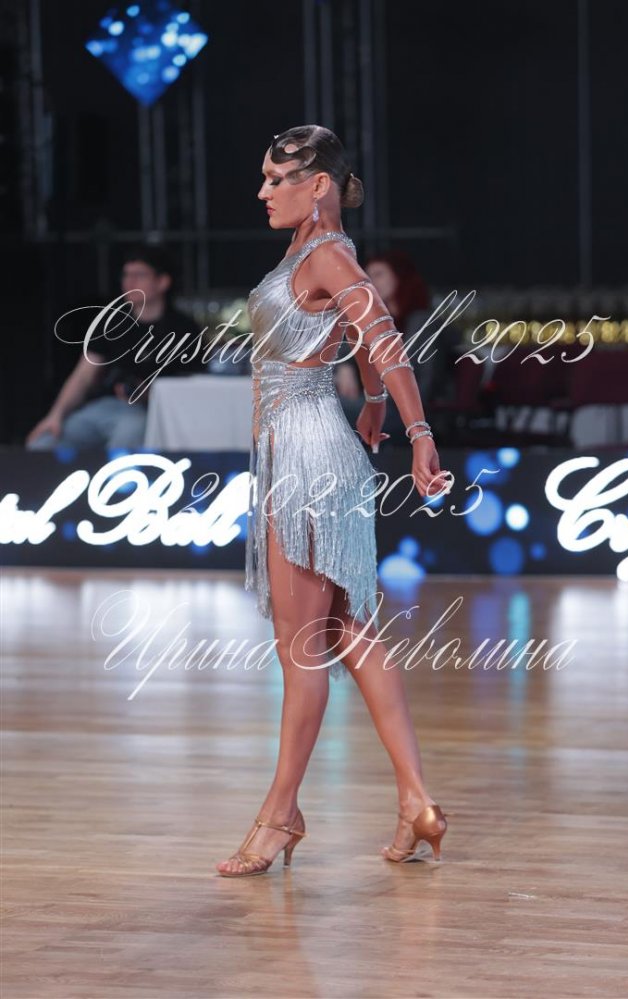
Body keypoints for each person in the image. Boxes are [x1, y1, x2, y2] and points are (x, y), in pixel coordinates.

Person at [215, 125, 454, 878]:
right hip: (314, 449)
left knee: (301, 647)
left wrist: (418, 432)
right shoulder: (313, 253)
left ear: (317, 184)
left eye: (275, 178)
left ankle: (279, 814)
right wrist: (376, 403)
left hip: (305, 455)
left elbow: (383, 336)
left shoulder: (326, 253)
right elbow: (363, 338)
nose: (262, 191)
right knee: (351, 630)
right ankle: (416, 801)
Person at [25, 244, 202, 451]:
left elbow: (191, 388)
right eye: (126, 275)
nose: (130, 282)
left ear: (162, 282)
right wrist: (55, 415)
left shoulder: (183, 329)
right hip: (103, 407)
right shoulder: (113, 322)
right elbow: (83, 375)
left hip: (151, 413)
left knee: (128, 434)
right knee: (43, 443)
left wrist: (148, 393)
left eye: (139, 275)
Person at [335, 249, 441, 442]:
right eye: (367, 276)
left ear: (400, 277)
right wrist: (345, 366)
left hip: (406, 412)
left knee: (325, 407)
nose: (371, 282)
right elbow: (346, 348)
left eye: (379, 274)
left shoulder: (421, 321)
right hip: (379, 403)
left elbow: (405, 371)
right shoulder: (377, 320)